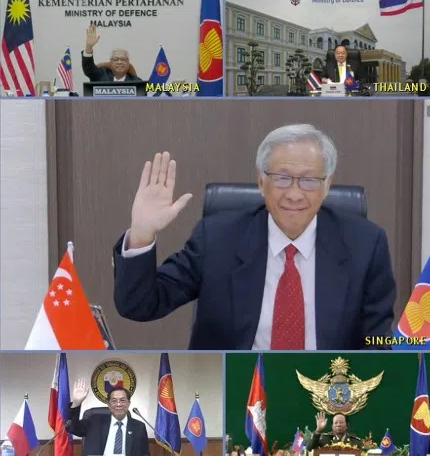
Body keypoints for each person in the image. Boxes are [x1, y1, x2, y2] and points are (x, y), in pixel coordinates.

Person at [112, 124, 396, 350]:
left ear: (327, 185)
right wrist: (141, 234)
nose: (295, 194)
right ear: (262, 182)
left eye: (309, 180)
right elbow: (140, 306)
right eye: (282, 178)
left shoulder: (365, 244)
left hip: (325, 395)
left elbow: (376, 342)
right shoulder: (218, 238)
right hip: (238, 387)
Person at [68, 379, 149, 456]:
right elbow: (73, 428)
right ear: (109, 405)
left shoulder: (139, 427)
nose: (118, 404)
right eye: (114, 401)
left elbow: (145, 453)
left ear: (129, 403)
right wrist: (76, 403)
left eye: (122, 400)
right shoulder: (94, 421)